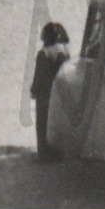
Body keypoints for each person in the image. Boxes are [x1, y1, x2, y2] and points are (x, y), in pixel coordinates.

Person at [30, 22, 71, 162]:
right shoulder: (64, 51)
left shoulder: (44, 53)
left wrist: (34, 89)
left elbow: (39, 74)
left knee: (42, 123)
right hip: (60, 92)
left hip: (45, 92)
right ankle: (58, 152)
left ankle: (44, 153)